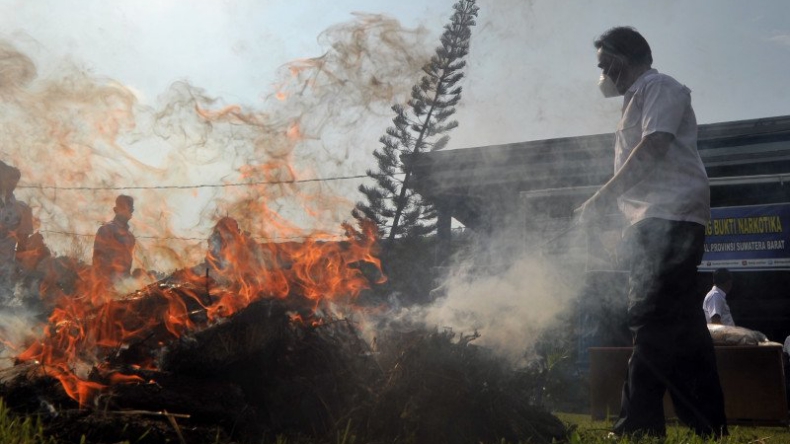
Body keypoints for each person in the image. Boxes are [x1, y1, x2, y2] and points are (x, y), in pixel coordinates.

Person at [575, 27, 727, 438]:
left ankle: (637, 426)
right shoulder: (634, 100)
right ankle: (708, 424)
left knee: (650, 318)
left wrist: (603, 198)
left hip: (668, 219)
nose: (603, 73)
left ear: (624, 59)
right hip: (657, 219)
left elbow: (656, 143)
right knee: (683, 327)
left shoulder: (659, 86)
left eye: (606, 64)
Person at [0, 162, 33, 305]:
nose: (10, 184)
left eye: (14, 181)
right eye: (7, 179)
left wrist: (18, 268)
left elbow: (22, 244)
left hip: (5, 270)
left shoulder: (22, 209)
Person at [92, 195, 136, 287]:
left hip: (123, 285)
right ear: (116, 210)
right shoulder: (106, 229)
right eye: (125, 208)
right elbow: (97, 259)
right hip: (106, 284)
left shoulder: (130, 237)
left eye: (131, 209)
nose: (129, 212)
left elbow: (128, 264)